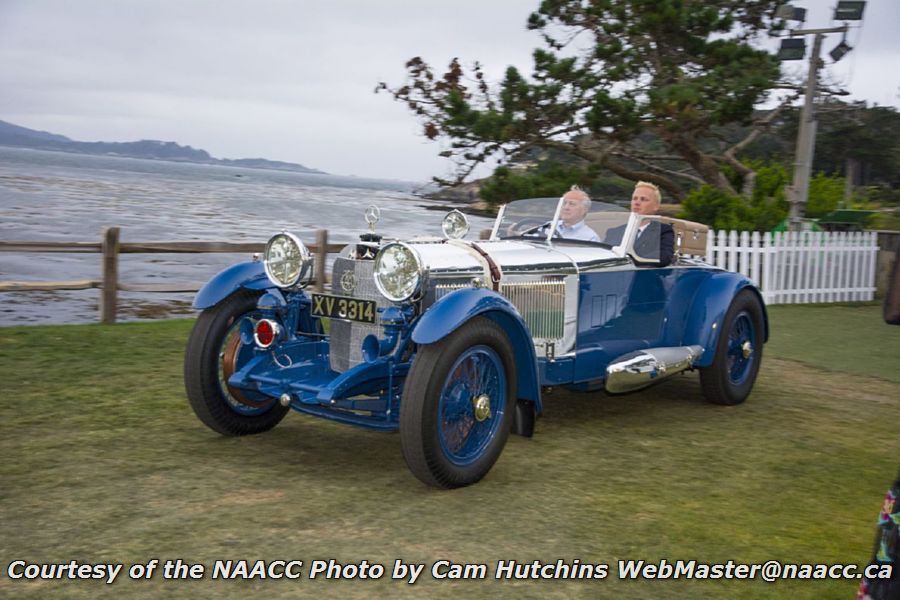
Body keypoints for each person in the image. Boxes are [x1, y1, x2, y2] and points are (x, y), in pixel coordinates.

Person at [605, 181, 674, 267]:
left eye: (643, 199)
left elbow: (664, 257)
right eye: (634, 198)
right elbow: (603, 256)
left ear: (656, 206)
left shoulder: (663, 231)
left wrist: (627, 260)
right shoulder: (614, 232)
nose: (637, 203)